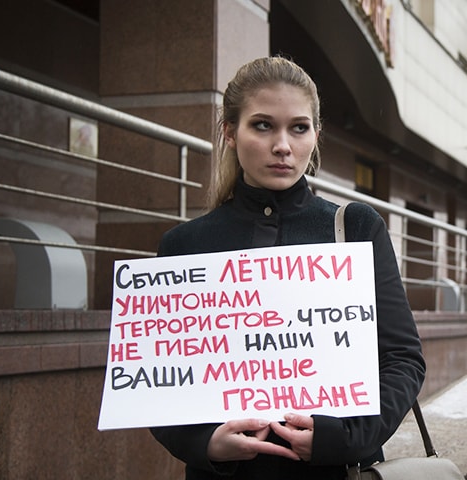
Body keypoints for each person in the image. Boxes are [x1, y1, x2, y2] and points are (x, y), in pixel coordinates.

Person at [150, 56, 426, 479]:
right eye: (263, 125)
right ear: (229, 131)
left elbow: (402, 358)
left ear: (315, 133)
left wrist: (341, 438)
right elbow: (157, 381)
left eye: (298, 127)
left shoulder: (355, 227)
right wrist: (203, 443)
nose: (283, 145)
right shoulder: (183, 246)